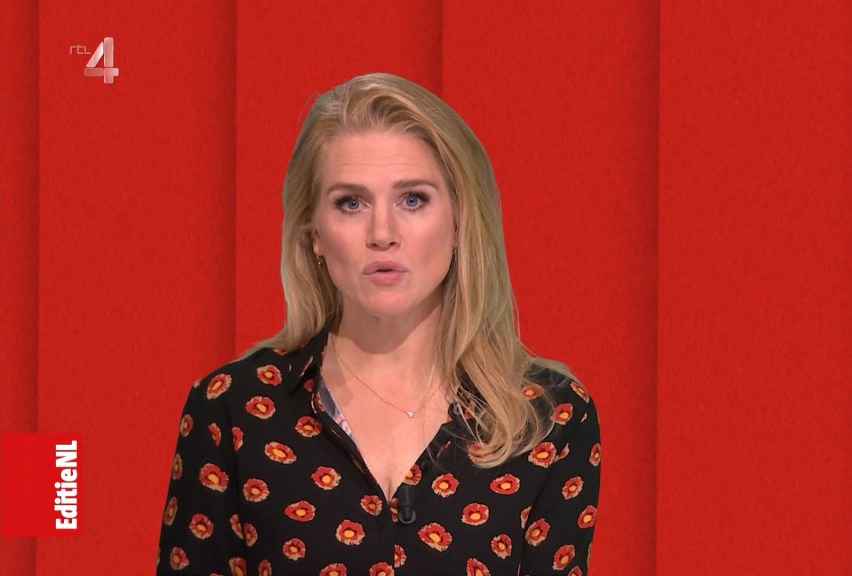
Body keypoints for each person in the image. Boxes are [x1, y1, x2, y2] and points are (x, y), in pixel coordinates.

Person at [157, 73, 600, 576]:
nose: (382, 233)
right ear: (314, 232)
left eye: (413, 199)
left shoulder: (548, 418)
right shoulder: (232, 409)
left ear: (460, 221)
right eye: (351, 203)